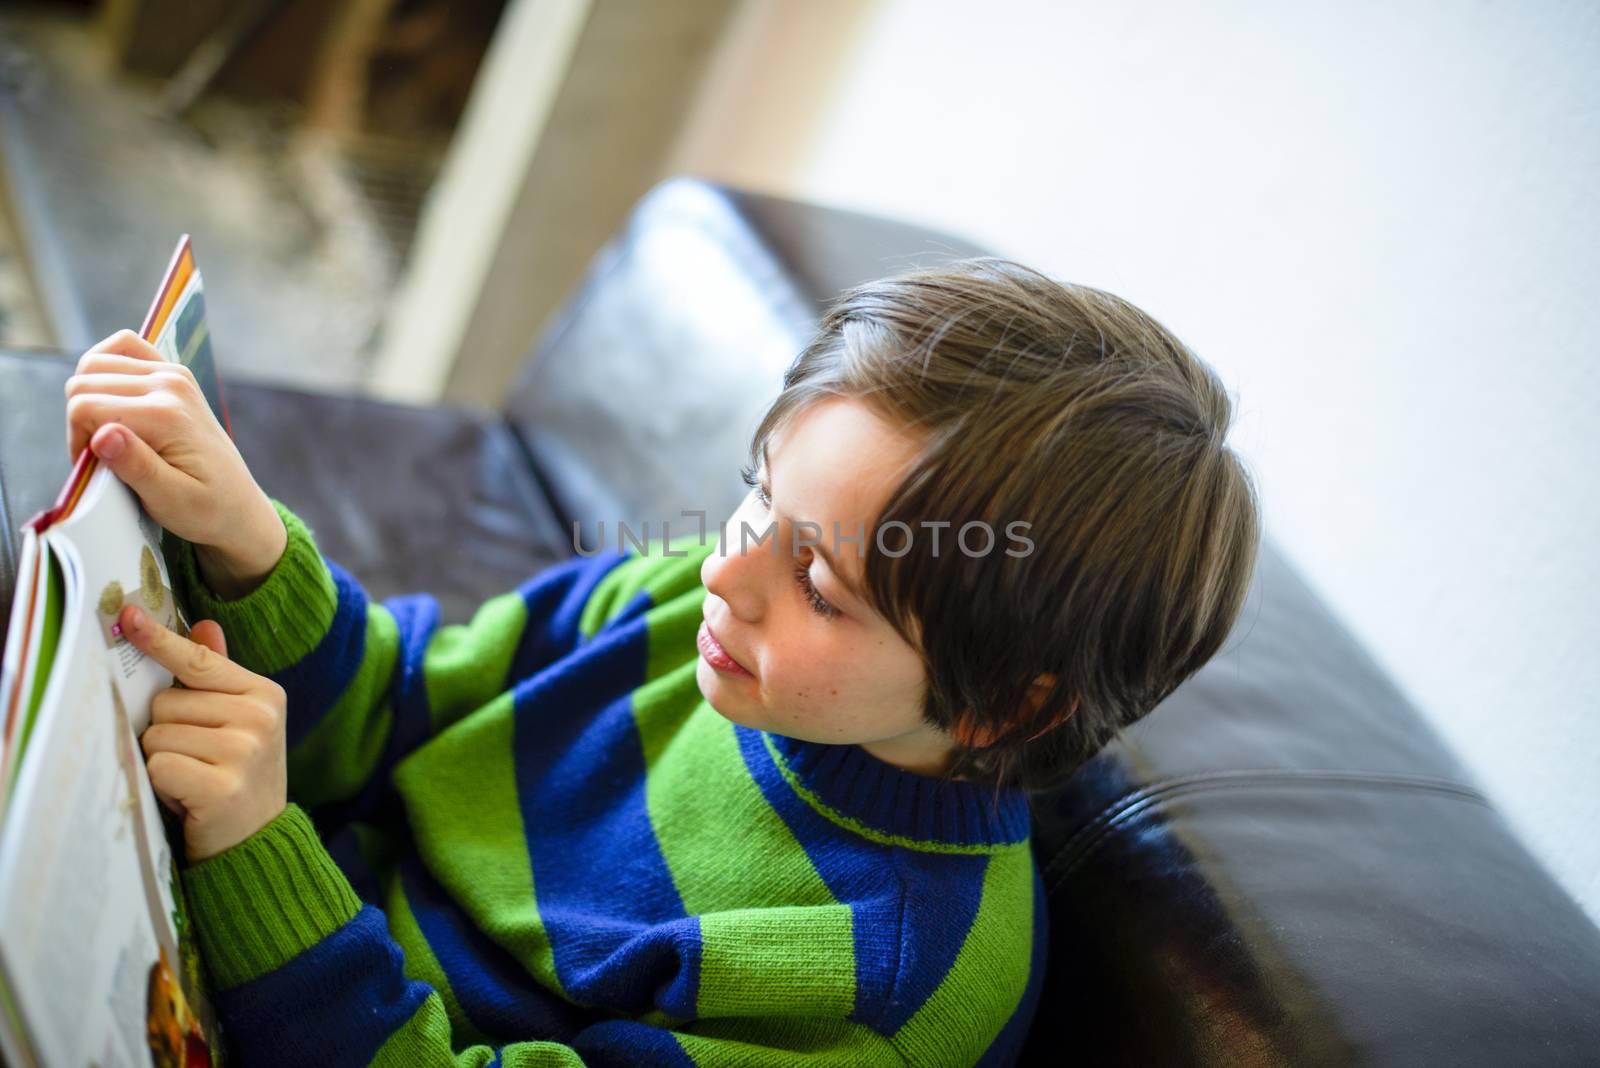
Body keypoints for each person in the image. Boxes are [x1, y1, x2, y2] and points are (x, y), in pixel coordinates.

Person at [65, 257, 1261, 1067]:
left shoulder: (889, 987)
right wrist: (251, 544)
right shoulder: (698, 596)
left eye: (820, 587)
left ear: (1003, 703)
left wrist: (258, 854)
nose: (727, 572)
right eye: (757, 498)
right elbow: (394, 702)